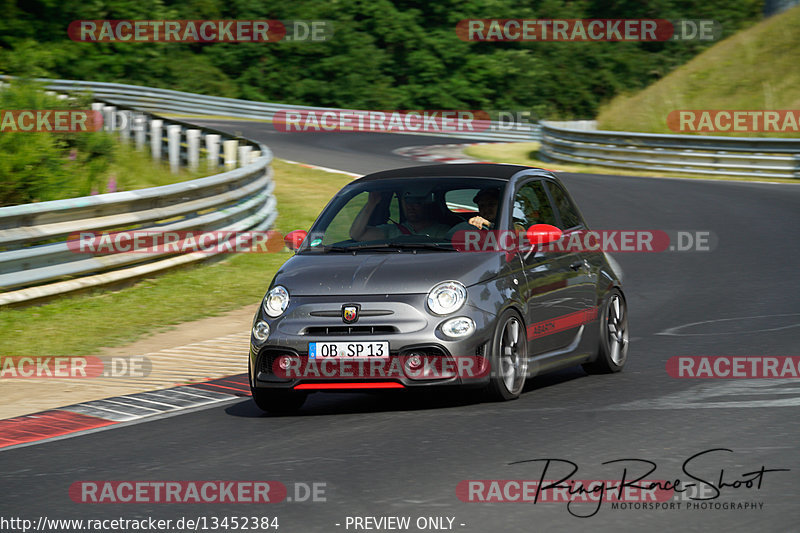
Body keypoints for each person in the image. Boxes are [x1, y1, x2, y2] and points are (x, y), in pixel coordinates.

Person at [350, 191, 451, 241]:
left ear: (429, 204)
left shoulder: (444, 232)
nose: (410, 206)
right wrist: (371, 204)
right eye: (406, 201)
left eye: (416, 202)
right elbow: (356, 235)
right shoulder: (390, 231)